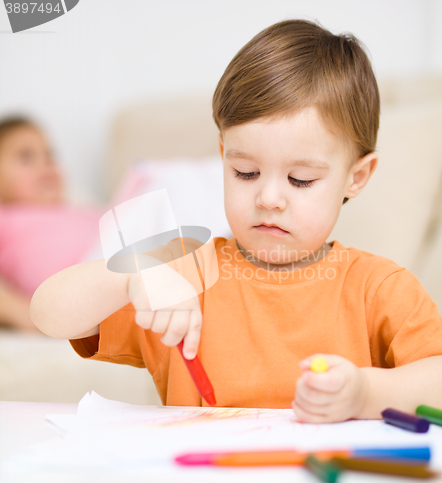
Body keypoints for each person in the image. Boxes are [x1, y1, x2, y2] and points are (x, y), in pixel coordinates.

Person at [30, 19, 442, 422]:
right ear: (224, 153)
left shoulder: (378, 289)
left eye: (301, 180)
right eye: (245, 172)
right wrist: (131, 278)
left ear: (356, 178)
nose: (268, 198)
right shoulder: (183, 275)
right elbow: (47, 311)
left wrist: (367, 394)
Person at [0, 117, 103, 330]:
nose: (45, 165)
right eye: (26, 157)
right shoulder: (6, 218)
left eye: (50, 156)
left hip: (121, 249)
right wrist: (26, 315)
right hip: (90, 280)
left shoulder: (77, 208)